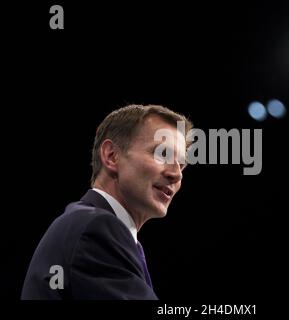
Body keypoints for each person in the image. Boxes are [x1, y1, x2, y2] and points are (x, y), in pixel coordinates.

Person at [21, 104, 193, 299]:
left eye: (181, 165)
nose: (176, 174)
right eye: (163, 154)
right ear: (111, 156)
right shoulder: (97, 229)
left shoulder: (87, 223)